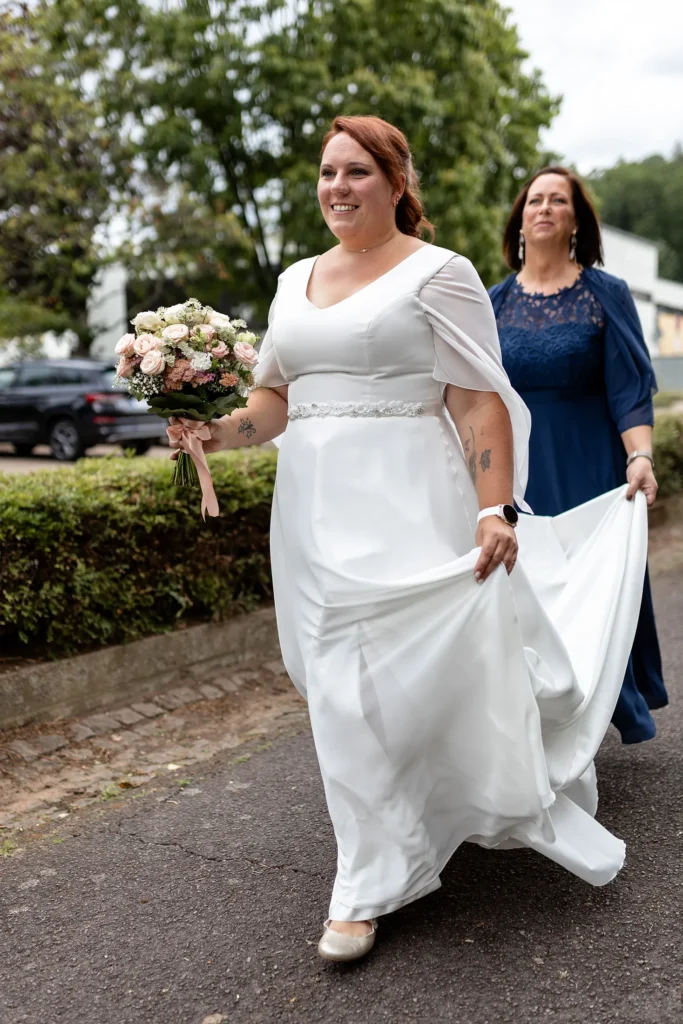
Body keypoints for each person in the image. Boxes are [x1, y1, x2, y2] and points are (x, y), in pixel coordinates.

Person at [170, 118, 648, 962]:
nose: (337, 187)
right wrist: (214, 430)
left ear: (396, 183)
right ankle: (381, 851)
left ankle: (373, 874)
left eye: (357, 171)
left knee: (421, 674)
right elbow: (274, 400)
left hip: (413, 501)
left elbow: (476, 400)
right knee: (337, 685)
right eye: (327, 172)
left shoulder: (441, 273)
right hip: (314, 510)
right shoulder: (291, 283)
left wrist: (494, 510)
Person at [489, 167, 668, 745]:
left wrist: (640, 457)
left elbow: (629, 390)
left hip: (591, 467)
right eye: (534, 200)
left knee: (592, 595)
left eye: (557, 200)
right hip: (519, 472)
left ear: (575, 221)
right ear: (520, 222)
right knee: (530, 594)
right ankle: (539, 724)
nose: (544, 207)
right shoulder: (492, 303)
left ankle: (589, 720)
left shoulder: (605, 294)